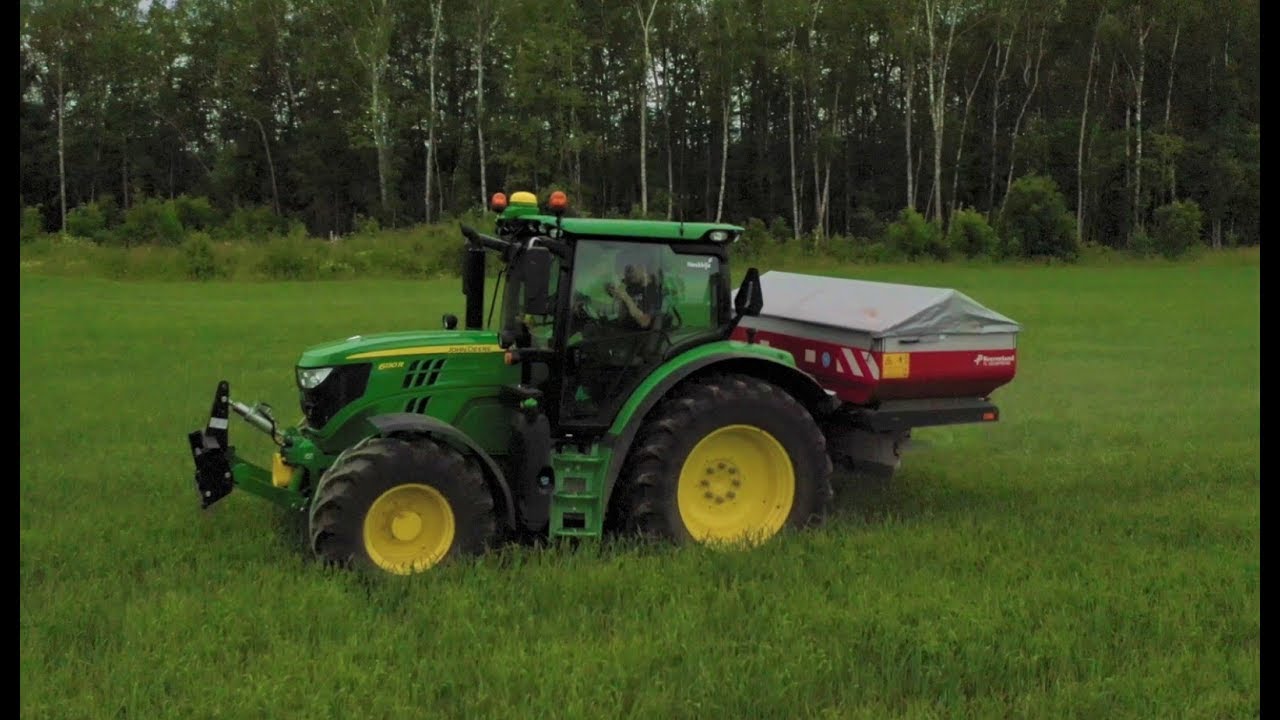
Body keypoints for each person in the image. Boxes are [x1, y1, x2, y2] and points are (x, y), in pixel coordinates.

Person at [604, 247, 664, 332]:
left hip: (638, 336)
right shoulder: (632, 286)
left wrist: (626, 298)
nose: (628, 275)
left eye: (630, 270)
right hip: (622, 332)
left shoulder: (654, 291)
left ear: (641, 267)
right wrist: (613, 292)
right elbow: (620, 309)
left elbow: (644, 322)